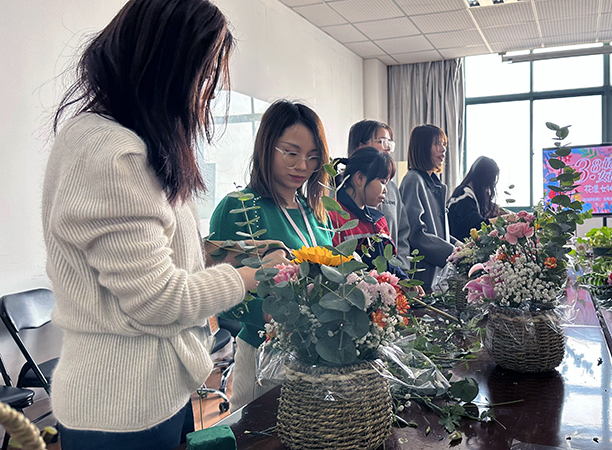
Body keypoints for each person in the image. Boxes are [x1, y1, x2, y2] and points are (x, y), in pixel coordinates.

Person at [42, 1, 289, 448]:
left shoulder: (127, 143)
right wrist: (250, 277)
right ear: (166, 66)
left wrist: (229, 254)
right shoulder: (112, 154)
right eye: (206, 71)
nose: (208, 91)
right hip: (119, 408)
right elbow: (156, 299)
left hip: (156, 393)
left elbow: (163, 249)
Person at [209, 100, 333, 410]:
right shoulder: (239, 207)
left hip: (319, 355)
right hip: (264, 356)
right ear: (267, 146)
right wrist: (281, 315)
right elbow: (227, 300)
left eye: (312, 157)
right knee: (261, 435)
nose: (302, 166)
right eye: (291, 153)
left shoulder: (315, 212)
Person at [329, 147, 407, 278]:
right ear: (360, 178)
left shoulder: (379, 220)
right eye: (382, 182)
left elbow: (389, 265)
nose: (385, 191)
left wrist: (404, 282)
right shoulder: (334, 218)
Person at [399, 124, 458, 293]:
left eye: (444, 144)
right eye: (437, 144)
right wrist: (452, 251)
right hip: (423, 274)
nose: (443, 149)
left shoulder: (434, 183)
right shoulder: (413, 180)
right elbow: (414, 233)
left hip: (437, 272)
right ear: (423, 148)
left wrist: (463, 247)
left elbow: (440, 233)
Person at [348, 120, 411, 270]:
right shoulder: (338, 189)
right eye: (382, 141)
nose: (388, 148)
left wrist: (400, 272)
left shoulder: (392, 189)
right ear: (360, 147)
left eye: (390, 142)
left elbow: (402, 233)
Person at [447, 156, 502, 241]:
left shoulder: (470, 195)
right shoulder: (464, 195)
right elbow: (477, 224)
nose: (489, 188)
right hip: (457, 248)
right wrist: (505, 219)